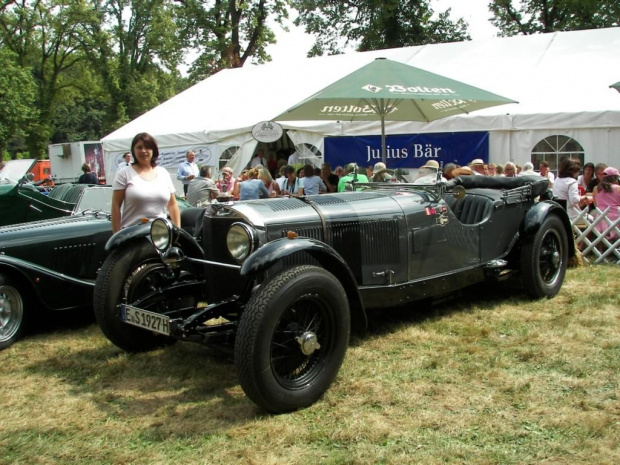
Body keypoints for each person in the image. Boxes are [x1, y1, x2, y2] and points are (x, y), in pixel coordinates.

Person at [111, 132, 180, 234]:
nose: (143, 151)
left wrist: (177, 232)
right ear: (133, 150)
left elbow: (173, 205)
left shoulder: (163, 173)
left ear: (153, 150)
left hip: (161, 235)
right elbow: (115, 206)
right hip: (132, 235)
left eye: (147, 147)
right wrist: (116, 236)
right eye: (139, 147)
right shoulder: (124, 173)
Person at [592, 166, 620, 239]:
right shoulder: (618, 188)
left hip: (600, 222)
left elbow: (596, 205)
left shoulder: (596, 188)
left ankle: (600, 249)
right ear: (615, 178)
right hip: (616, 221)